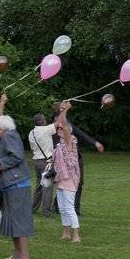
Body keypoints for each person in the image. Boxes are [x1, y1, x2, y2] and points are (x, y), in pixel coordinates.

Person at [0, 94, 34, 259]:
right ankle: (17, 254)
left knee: (18, 220)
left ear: (3, 127)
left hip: (17, 184)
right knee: (12, 219)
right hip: (11, 184)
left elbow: (17, 156)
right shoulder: (4, 137)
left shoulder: (9, 136)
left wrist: (1, 165)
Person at [50, 102, 104, 217]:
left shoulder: (67, 123)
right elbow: (61, 124)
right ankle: (58, 207)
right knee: (63, 184)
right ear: (61, 109)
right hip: (63, 160)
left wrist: (95, 143)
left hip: (74, 159)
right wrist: (65, 110)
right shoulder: (55, 124)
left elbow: (81, 134)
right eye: (63, 106)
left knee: (78, 183)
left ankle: (75, 209)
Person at [54, 102, 82, 243]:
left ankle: (76, 234)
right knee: (62, 207)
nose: (58, 129)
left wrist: (65, 110)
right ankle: (66, 233)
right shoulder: (59, 143)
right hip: (60, 178)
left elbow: (63, 124)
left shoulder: (70, 140)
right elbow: (59, 123)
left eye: (61, 129)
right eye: (58, 128)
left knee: (69, 208)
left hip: (70, 178)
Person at [28, 113, 56, 215]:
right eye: (44, 119)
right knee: (47, 186)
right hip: (46, 162)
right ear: (41, 121)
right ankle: (46, 211)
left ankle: (33, 208)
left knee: (39, 185)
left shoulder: (31, 133)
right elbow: (59, 123)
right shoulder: (46, 130)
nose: (46, 121)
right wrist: (64, 110)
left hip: (36, 161)